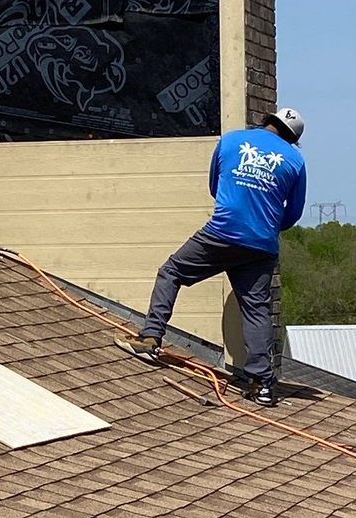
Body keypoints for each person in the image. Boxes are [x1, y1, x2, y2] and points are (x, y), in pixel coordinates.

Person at [115, 108, 307, 406]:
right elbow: (292, 214)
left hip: (221, 233)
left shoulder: (231, 141)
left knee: (172, 272)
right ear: (292, 139)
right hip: (261, 245)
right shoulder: (295, 160)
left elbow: (215, 187)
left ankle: (150, 337)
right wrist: (263, 225)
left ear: (267, 122)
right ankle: (262, 385)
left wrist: (236, 211)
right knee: (256, 310)